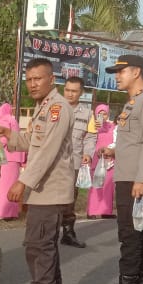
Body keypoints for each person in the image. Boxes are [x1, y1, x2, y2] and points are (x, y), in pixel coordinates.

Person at [0, 58, 74, 284]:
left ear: (52, 79)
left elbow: (47, 151)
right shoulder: (43, 107)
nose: (33, 84)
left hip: (50, 189)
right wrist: (7, 133)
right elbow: (32, 142)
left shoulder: (58, 108)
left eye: (38, 78)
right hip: (42, 188)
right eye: (29, 79)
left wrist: (23, 181)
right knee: (39, 244)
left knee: (40, 244)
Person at [94, 55, 143, 284]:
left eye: (120, 72)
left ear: (136, 72)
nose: (116, 76)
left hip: (135, 178)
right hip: (127, 174)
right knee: (138, 230)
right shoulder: (132, 103)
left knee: (129, 233)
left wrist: (142, 179)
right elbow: (133, 141)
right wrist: (114, 151)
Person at [60, 75, 90, 248]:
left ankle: (68, 233)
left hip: (75, 162)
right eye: (67, 90)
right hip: (54, 162)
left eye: (74, 91)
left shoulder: (87, 114)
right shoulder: (54, 108)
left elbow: (90, 136)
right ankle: (47, 233)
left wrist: (88, 153)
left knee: (70, 198)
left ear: (81, 93)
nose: (70, 94)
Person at [0, 102, 26, 220]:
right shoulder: (13, 120)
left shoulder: (5, 120)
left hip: (8, 156)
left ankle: (2, 212)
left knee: (5, 186)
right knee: (11, 185)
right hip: (15, 156)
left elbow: (3, 139)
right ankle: (11, 212)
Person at [85, 104, 116, 219]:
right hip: (96, 159)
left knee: (108, 185)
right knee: (95, 186)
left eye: (105, 114)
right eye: (100, 113)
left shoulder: (113, 127)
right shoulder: (92, 126)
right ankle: (91, 211)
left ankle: (106, 211)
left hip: (110, 160)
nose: (102, 116)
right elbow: (88, 140)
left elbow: (117, 140)